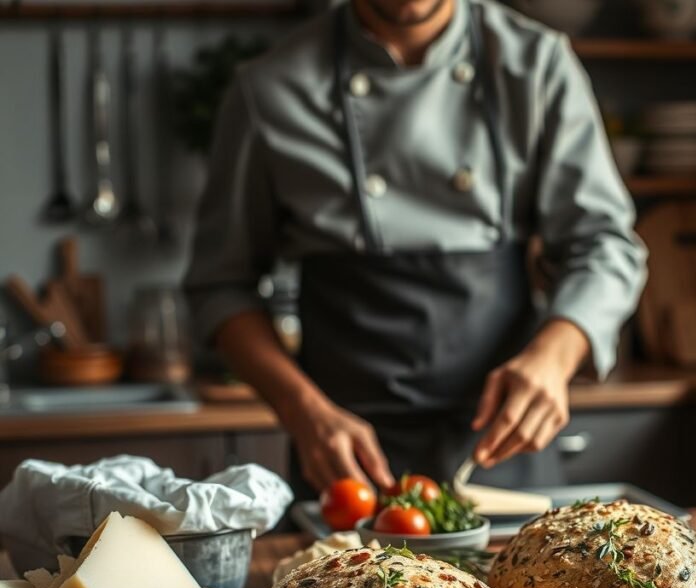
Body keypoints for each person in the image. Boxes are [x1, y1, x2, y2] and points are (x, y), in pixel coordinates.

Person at [184, 0, 646, 495]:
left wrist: (553, 358)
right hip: (343, 456)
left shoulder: (536, 65)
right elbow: (222, 285)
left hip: (505, 440)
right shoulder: (269, 89)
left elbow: (603, 244)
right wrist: (302, 411)